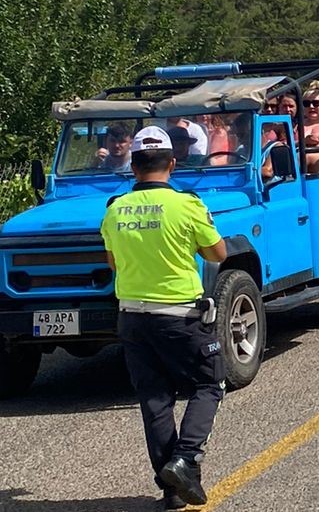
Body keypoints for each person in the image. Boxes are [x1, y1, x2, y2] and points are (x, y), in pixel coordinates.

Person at [100, 126, 228, 510]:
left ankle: (172, 490)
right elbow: (217, 253)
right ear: (173, 163)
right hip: (178, 315)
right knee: (210, 383)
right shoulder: (187, 205)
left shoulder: (114, 209)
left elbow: (112, 262)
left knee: (155, 399)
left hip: (132, 317)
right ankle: (186, 458)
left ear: (133, 165)